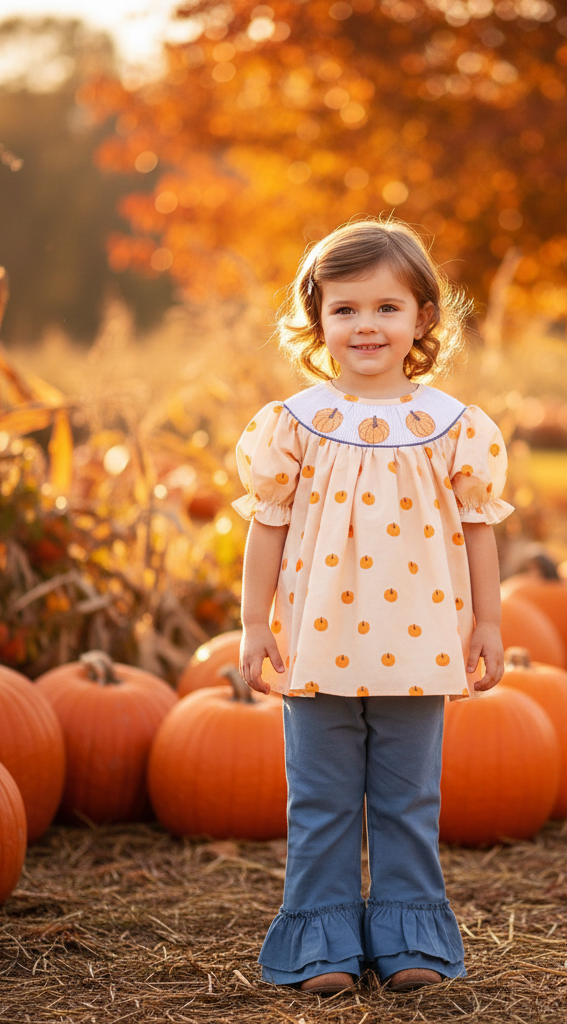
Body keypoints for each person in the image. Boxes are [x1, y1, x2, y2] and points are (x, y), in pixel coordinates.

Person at [232, 219, 513, 993]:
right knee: (320, 799)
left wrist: (488, 623)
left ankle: (408, 934)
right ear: (317, 318)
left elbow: (480, 531)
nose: (365, 326)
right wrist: (255, 623)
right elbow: (266, 528)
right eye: (346, 309)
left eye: (387, 308)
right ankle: (320, 941)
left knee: (407, 798)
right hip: (317, 648)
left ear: (423, 318)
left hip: (421, 646)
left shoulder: (454, 427)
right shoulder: (293, 424)